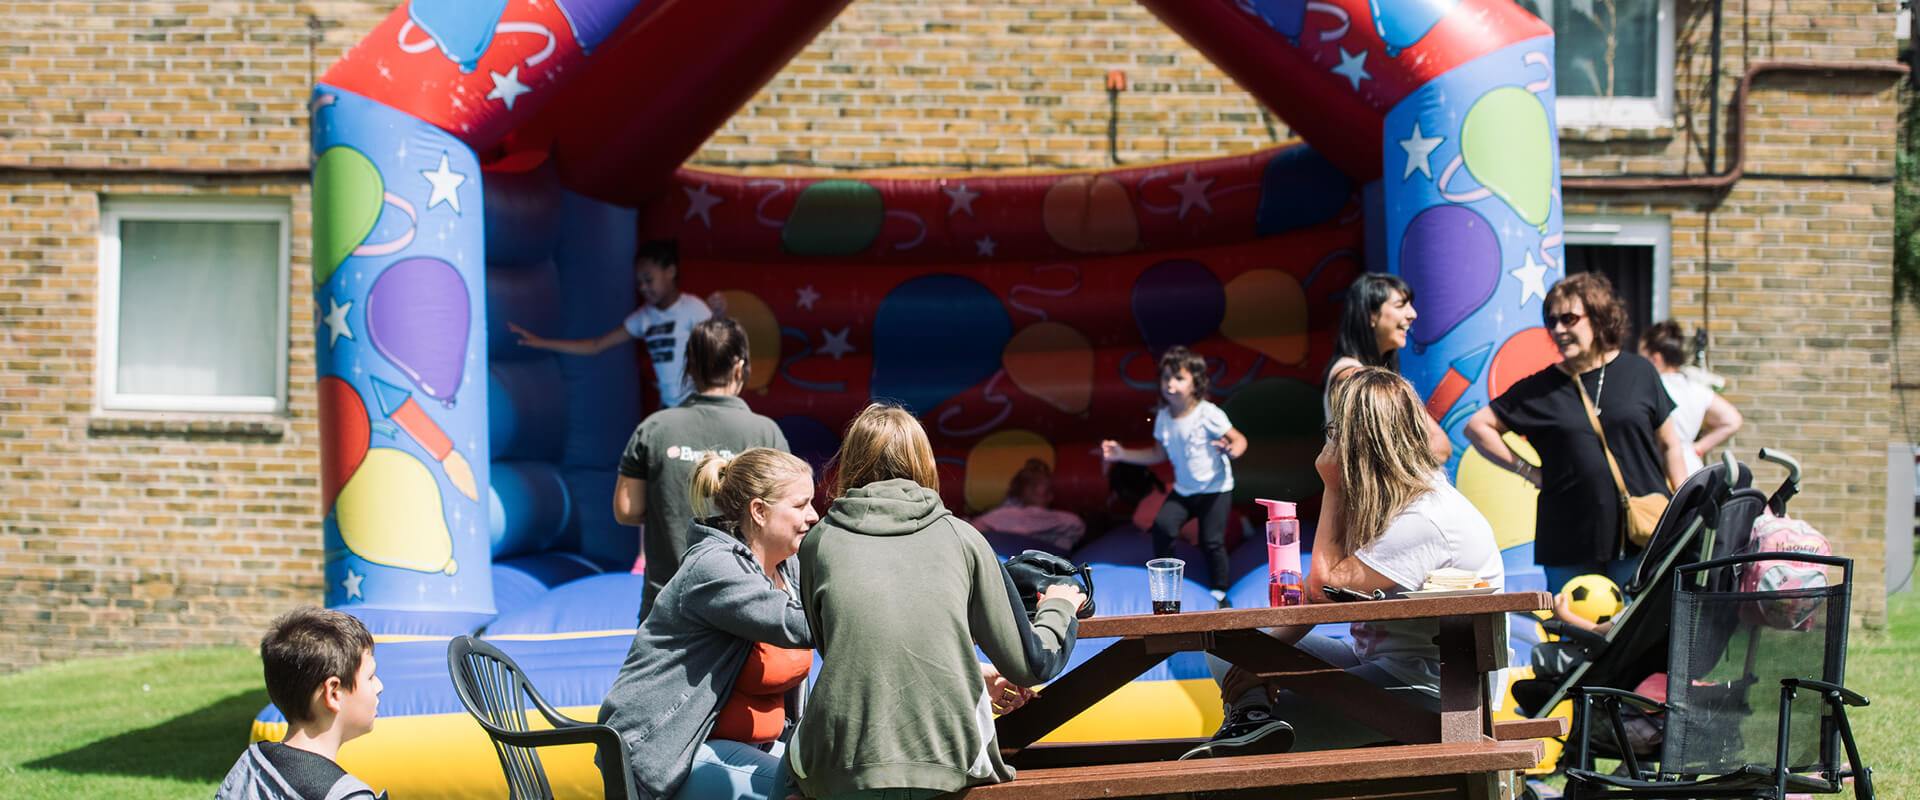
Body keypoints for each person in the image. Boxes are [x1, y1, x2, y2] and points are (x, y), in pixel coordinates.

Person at [1182, 367, 1503, 759]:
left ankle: (1248, 731)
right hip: (1384, 669)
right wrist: (1258, 661)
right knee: (1227, 641)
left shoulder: (1425, 516)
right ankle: (1250, 721)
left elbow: (1322, 591)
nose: (1329, 439)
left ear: (1362, 440)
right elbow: (1322, 595)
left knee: (1267, 740)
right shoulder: (1401, 498)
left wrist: (1331, 485)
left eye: (1336, 431)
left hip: (1435, 696)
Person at [788, 403, 1084, 800]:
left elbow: (845, 649)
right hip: (949, 763)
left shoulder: (819, 542)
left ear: (852, 463)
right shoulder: (963, 538)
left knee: (788, 779)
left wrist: (969, 672)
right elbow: (1033, 664)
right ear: (923, 463)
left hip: (836, 766)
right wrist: (1060, 605)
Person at [599, 448, 818, 800]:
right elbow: (797, 624)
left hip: (748, 747)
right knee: (807, 791)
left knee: (830, 780)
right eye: (800, 505)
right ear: (759, 512)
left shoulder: (787, 568)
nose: (813, 515)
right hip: (669, 753)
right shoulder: (715, 567)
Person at [1465, 272, 1688, 593]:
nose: (1558, 329)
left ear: (1598, 318)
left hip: (1641, 535)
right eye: (1551, 321)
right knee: (1574, 639)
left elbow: (1669, 445)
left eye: (1568, 319)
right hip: (1569, 542)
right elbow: (1477, 427)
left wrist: (1681, 501)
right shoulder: (1539, 388)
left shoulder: (1639, 371)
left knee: (1639, 638)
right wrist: (1531, 472)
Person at [616, 316, 789, 618]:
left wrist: (672, 505)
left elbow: (626, 510)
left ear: (690, 368)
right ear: (739, 368)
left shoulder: (654, 428)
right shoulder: (766, 434)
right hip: (744, 609)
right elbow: (784, 520)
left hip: (668, 609)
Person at [1100, 345, 1247, 603]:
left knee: (1211, 540)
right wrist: (1122, 454)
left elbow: (1239, 439)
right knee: (1163, 527)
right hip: (1184, 490)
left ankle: (1220, 591)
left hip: (1215, 490)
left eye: (1179, 378)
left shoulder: (1208, 413)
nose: (1170, 384)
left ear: (1196, 383)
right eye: (1166, 377)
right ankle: (1165, 580)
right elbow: (1157, 454)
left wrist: (1232, 450)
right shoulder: (1163, 418)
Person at [508, 239, 711, 412]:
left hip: (697, 406)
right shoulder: (643, 318)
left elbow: (719, 349)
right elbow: (596, 345)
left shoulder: (693, 309)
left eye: (649, 280)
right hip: (670, 408)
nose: (643, 287)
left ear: (671, 271)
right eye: (639, 282)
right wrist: (541, 343)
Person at [216, 607, 385, 800]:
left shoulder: (248, 768)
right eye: (370, 677)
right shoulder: (347, 797)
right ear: (333, 692)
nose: (379, 686)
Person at [1325, 272, 1451, 462]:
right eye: (1400, 305)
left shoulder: (1377, 375)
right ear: (1371, 316)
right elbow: (1431, 445)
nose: (1412, 314)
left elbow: (1442, 446)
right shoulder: (1350, 375)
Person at [1639, 320, 1742, 474]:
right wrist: (1699, 447)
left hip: (1661, 470)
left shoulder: (1648, 388)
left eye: (1641, 356)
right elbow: (1732, 420)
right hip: (1692, 469)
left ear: (1656, 359)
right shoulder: (1695, 389)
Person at [971, 458, 1087, 554]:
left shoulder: (997, 516)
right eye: (1046, 492)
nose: (1050, 497)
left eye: (1049, 492)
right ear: (1027, 490)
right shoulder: (1004, 515)